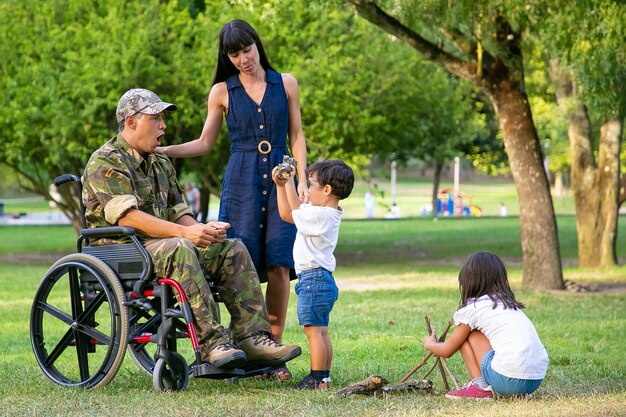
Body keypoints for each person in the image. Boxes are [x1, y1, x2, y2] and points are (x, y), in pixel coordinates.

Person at [82, 88, 301, 372]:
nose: (163, 126)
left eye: (162, 118)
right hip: (121, 251)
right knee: (181, 247)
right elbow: (128, 218)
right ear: (131, 121)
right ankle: (213, 344)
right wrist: (185, 234)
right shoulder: (106, 161)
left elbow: (179, 212)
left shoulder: (161, 162)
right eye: (156, 118)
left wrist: (202, 230)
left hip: (162, 245)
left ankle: (252, 338)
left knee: (231, 248)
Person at [158, 20, 307, 379]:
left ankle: (273, 352)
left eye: (247, 49)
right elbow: (205, 143)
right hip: (241, 181)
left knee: (279, 264)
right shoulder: (221, 91)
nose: (243, 58)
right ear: (227, 57)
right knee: (237, 264)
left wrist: (302, 179)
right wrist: (163, 149)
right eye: (234, 54)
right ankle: (233, 345)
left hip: (282, 181)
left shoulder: (285, 83)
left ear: (258, 45)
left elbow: (298, 135)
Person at [272, 160, 354, 390]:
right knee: (321, 331)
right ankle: (324, 378)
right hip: (320, 279)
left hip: (313, 280)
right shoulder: (324, 211)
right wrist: (286, 183)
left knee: (313, 331)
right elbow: (294, 209)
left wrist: (282, 184)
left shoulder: (321, 216)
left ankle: (317, 378)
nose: (306, 191)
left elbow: (288, 214)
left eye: (311, 185)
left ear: (326, 190)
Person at [423, 252, 548, 400]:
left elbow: (447, 350)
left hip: (507, 380)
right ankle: (514, 390)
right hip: (535, 380)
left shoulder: (474, 308)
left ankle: (480, 388)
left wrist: (430, 344)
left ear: (468, 281)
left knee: (468, 334)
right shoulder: (510, 306)